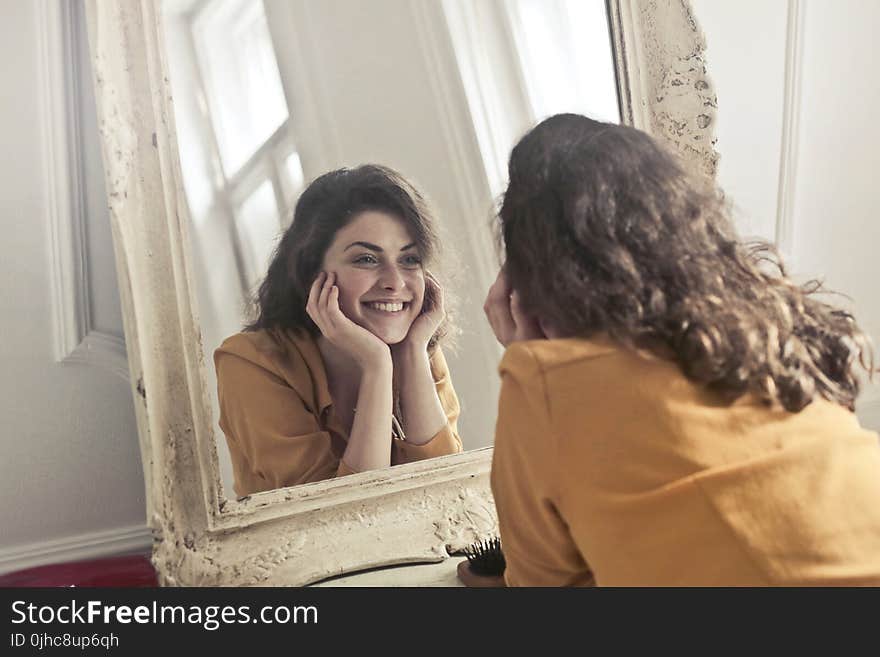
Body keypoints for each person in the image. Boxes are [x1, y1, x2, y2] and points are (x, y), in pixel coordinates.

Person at [484, 113, 880, 586]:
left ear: (528, 284)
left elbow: (543, 589)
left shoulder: (546, 387)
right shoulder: (768, 325)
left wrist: (527, 357)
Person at [215, 164, 462, 497]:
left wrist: (412, 355)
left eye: (409, 259)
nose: (394, 282)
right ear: (311, 273)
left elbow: (447, 493)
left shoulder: (417, 348)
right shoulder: (250, 361)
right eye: (365, 259)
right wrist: (376, 366)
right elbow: (336, 516)